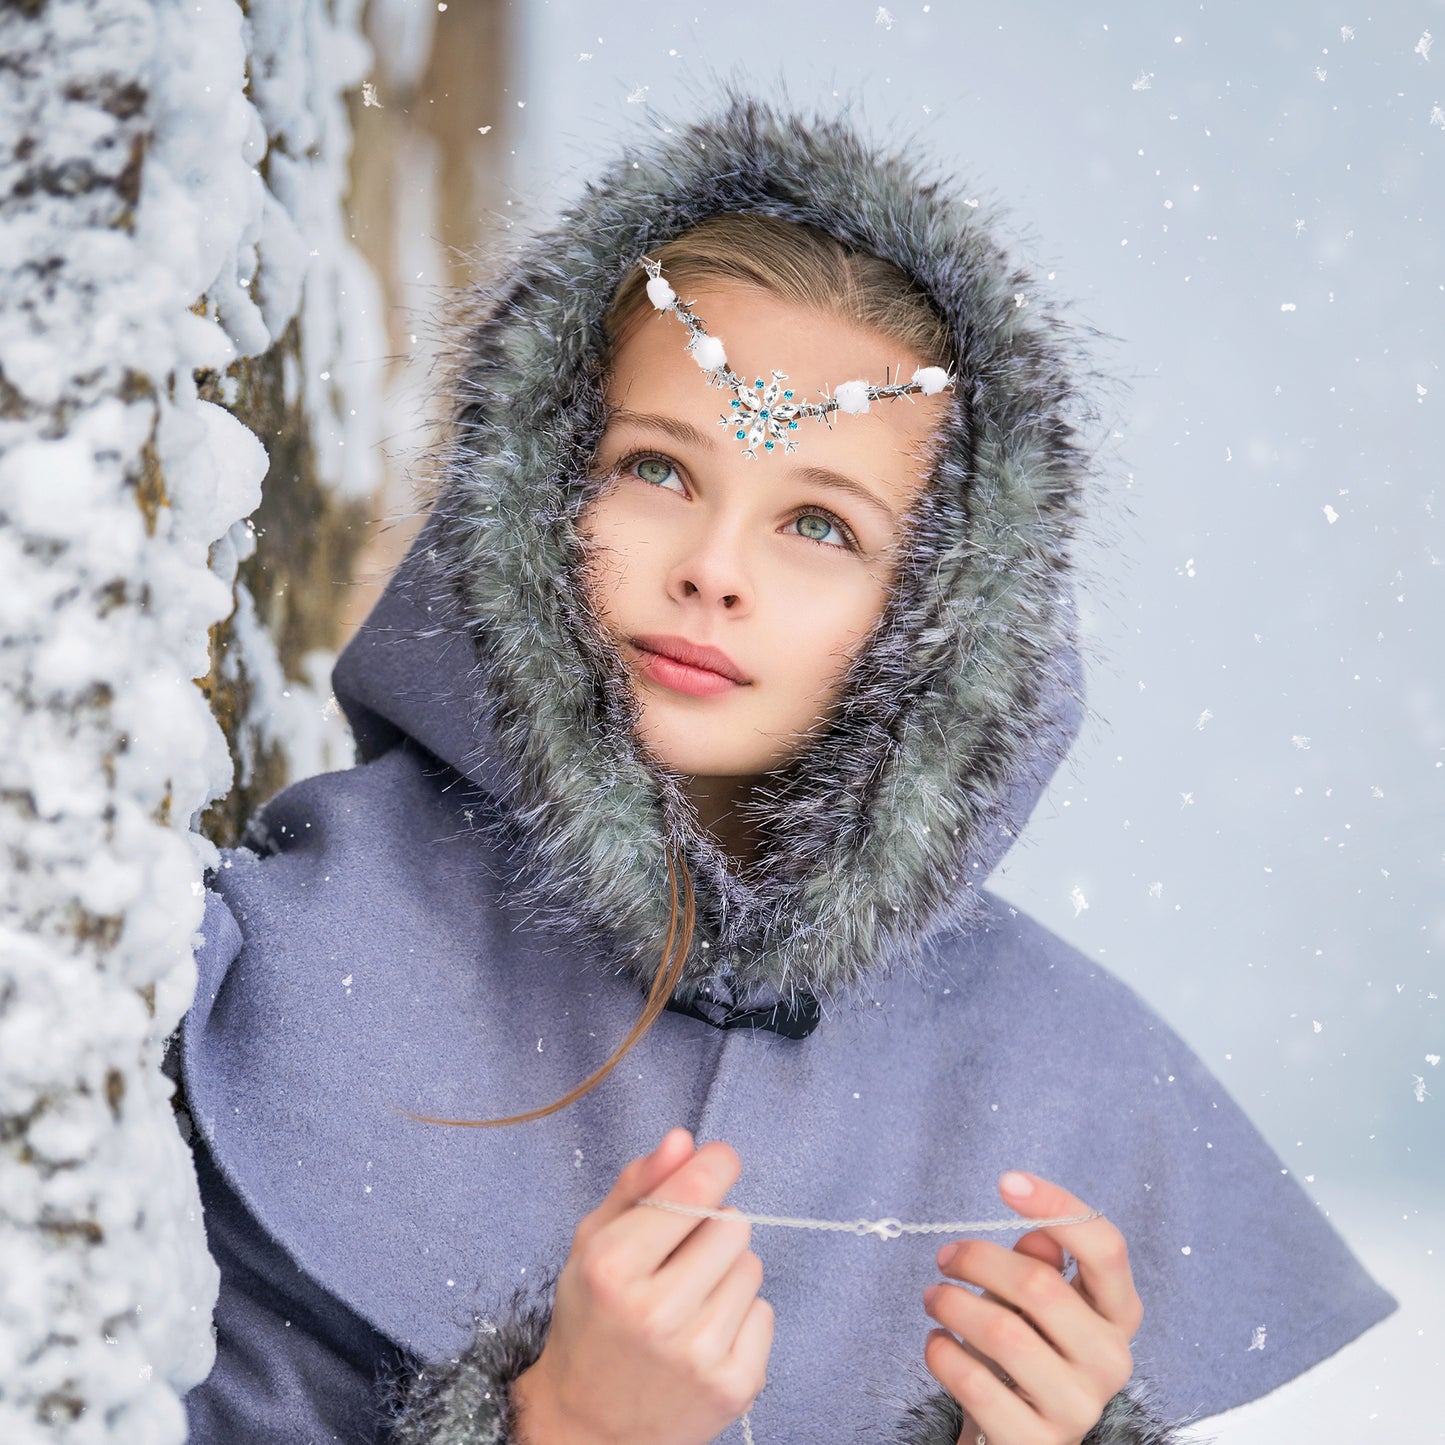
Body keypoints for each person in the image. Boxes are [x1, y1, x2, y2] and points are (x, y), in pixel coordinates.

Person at [178, 96, 1394, 1445]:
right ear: (534, 490)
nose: (713, 567)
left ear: (939, 615)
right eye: (653, 467)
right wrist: (563, 1430)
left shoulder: (1060, 1081)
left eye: (818, 522)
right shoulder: (290, 960)